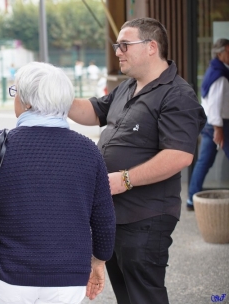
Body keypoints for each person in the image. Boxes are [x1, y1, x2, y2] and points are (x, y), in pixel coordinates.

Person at [68, 17, 206, 304]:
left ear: (151, 47)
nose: (118, 51)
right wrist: (54, 95)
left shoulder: (178, 94)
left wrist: (125, 180)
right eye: (118, 45)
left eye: (124, 45)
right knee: (127, 297)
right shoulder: (127, 87)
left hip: (146, 218)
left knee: (145, 296)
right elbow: (91, 112)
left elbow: (180, 154)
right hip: (113, 216)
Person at [0, 61, 116, 304]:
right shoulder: (88, 150)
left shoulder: (1, 143)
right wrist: (99, 260)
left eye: (15, 92)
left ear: (28, 102)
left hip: (12, 275)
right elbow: (104, 218)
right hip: (70, 277)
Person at [187, 38, 229, 210]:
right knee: (205, 161)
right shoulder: (220, 76)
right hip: (218, 125)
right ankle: (191, 198)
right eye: (228, 50)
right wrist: (218, 130)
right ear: (221, 53)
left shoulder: (216, 70)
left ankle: (191, 199)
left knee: (205, 161)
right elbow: (215, 105)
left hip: (214, 124)